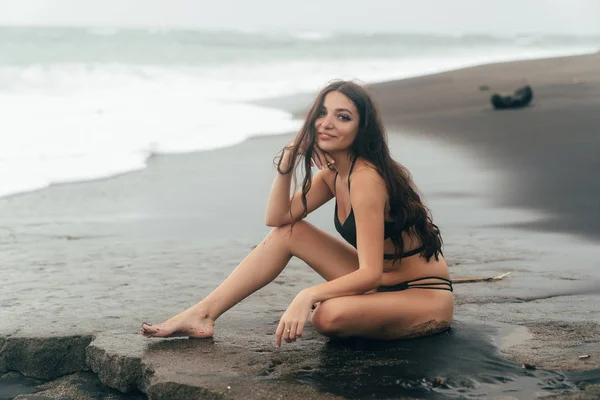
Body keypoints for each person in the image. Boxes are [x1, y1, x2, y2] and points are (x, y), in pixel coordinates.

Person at [141, 80, 454, 348]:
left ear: (362, 129)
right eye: (321, 113)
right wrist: (287, 165)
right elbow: (278, 219)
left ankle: (367, 313)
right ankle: (203, 314)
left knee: (327, 316)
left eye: (342, 117)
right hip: (380, 283)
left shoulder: (366, 179)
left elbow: (368, 273)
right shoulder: (334, 174)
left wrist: (307, 295)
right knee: (290, 233)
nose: (326, 123)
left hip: (421, 294)